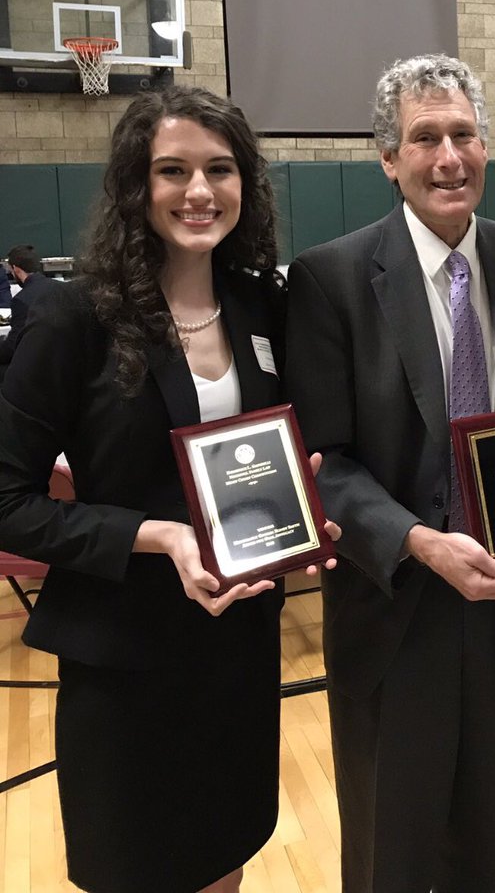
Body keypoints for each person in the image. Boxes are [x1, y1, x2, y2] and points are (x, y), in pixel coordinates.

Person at [0, 85, 338, 893]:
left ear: (244, 186)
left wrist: (309, 505)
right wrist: (159, 537)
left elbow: (289, 448)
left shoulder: (263, 303)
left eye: (219, 170)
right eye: (172, 171)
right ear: (134, 186)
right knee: (137, 869)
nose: (198, 191)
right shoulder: (73, 314)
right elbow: (8, 497)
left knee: (225, 857)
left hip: (235, 650)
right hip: (124, 660)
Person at [286, 54, 495, 893]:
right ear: (388, 158)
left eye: (463, 134)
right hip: (396, 613)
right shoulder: (331, 278)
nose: (448, 157)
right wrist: (420, 542)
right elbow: (324, 464)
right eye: (424, 138)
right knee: (390, 858)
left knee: (492, 856)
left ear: (486, 146)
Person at [0, 244, 54, 377]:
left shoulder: (21, 300)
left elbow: (13, 347)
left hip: (36, 368)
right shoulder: (61, 288)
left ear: (16, 269)